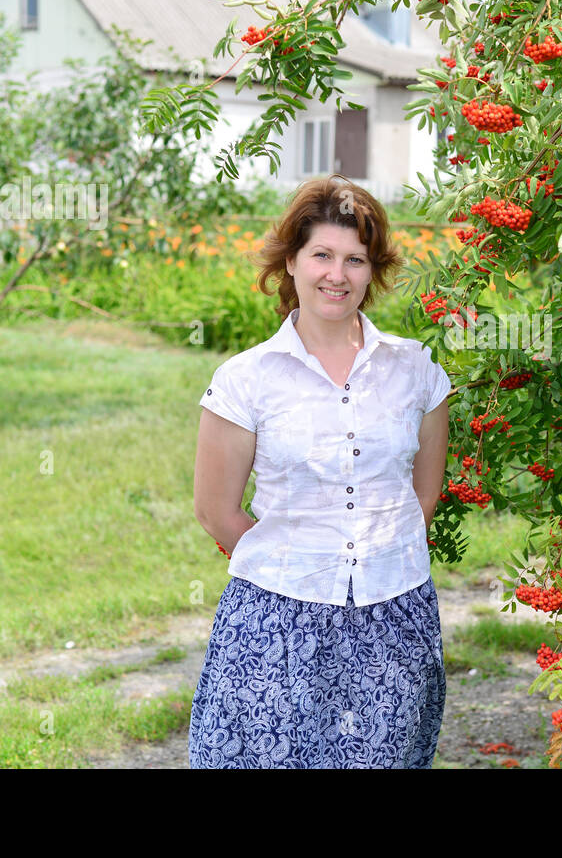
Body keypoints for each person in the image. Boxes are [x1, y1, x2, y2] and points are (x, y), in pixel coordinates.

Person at [188, 174, 451, 768]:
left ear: (373, 270)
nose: (338, 274)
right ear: (292, 263)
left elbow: (422, 500)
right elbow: (215, 510)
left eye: (355, 259)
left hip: (394, 613)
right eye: (322, 255)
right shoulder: (246, 379)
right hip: (276, 620)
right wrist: (297, 560)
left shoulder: (417, 373)